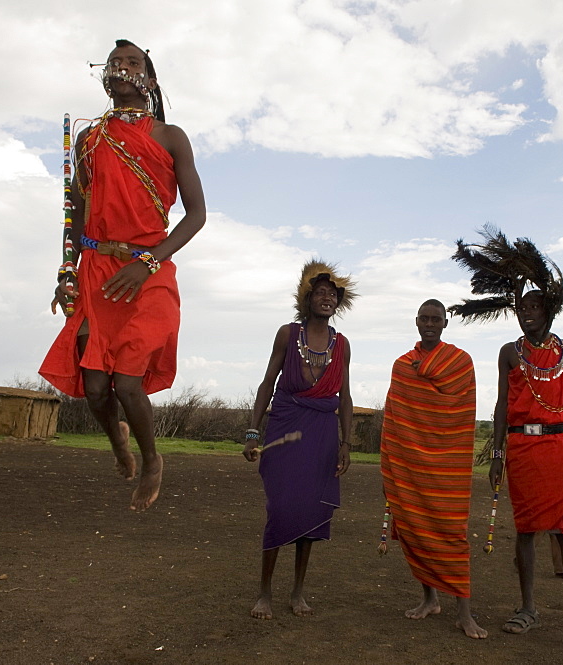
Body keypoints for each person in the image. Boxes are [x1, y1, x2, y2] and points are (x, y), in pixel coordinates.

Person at [40, 39, 206, 511]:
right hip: (96, 270)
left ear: (148, 81)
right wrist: (66, 272)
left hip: (149, 269)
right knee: (94, 390)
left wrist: (146, 263)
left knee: (127, 383)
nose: (121, 66)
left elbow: (196, 216)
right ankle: (118, 442)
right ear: (106, 76)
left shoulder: (171, 136)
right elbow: (74, 213)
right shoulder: (91, 140)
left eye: (133, 62)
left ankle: (152, 460)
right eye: (115, 62)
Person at [450, 228, 563, 654]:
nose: (527, 314)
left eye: (535, 307)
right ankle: (528, 608)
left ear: (550, 310)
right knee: (528, 531)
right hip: (523, 450)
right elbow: (501, 408)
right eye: (521, 308)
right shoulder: (509, 352)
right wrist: (496, 454)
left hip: (561, 450)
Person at [242, 260, 355, 620]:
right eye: (320, 293)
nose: (326, 298)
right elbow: (266, 384)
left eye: (332, 294)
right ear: (306, 300)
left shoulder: (343, 345)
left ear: (338, 303)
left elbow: (346, 397)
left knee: (310, 511)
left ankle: (298, 591)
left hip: (322, 434)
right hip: (285, 428)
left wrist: (346, 443)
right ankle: (264, 592)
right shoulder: (288, 335)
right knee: (280, 508)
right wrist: (252, 431)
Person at [380, 299, 487, 639]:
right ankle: (430, 600)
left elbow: (462, 416)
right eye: (424, 318)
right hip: (410, 468)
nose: (429, 324)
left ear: (445, 324)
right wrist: (391, 469)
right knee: (414, 530)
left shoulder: (460, 363)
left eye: (435, 319)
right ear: (415, 322)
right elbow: (394, 420)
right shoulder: (402, 366)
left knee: (453, 536)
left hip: (446, 467)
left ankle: (465, 614)